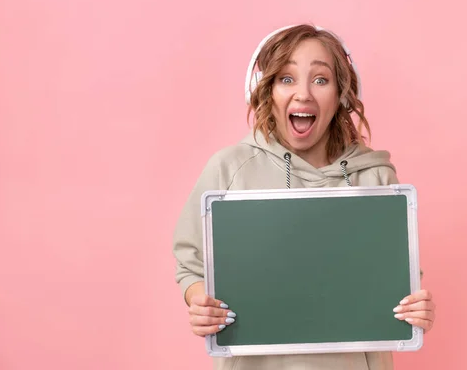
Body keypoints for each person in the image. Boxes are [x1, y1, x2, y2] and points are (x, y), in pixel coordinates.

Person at [172, 24, 436, 370]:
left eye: (320, 80)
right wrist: (199, 302)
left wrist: (417, 311)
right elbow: (190, 264)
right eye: (286, 79)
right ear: (266, 91)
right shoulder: (229, 168)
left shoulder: (375, 177)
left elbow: (400, 283)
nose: (303, 94)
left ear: (341, 94)